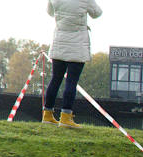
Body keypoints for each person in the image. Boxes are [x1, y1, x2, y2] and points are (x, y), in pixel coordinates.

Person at [43, 0, 103, 128]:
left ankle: (47, 114)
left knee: (55, 79)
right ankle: (65, 117)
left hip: (59, 42)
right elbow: (97, 13)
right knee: (71, 82)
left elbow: (50, 12)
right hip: (78, 45)